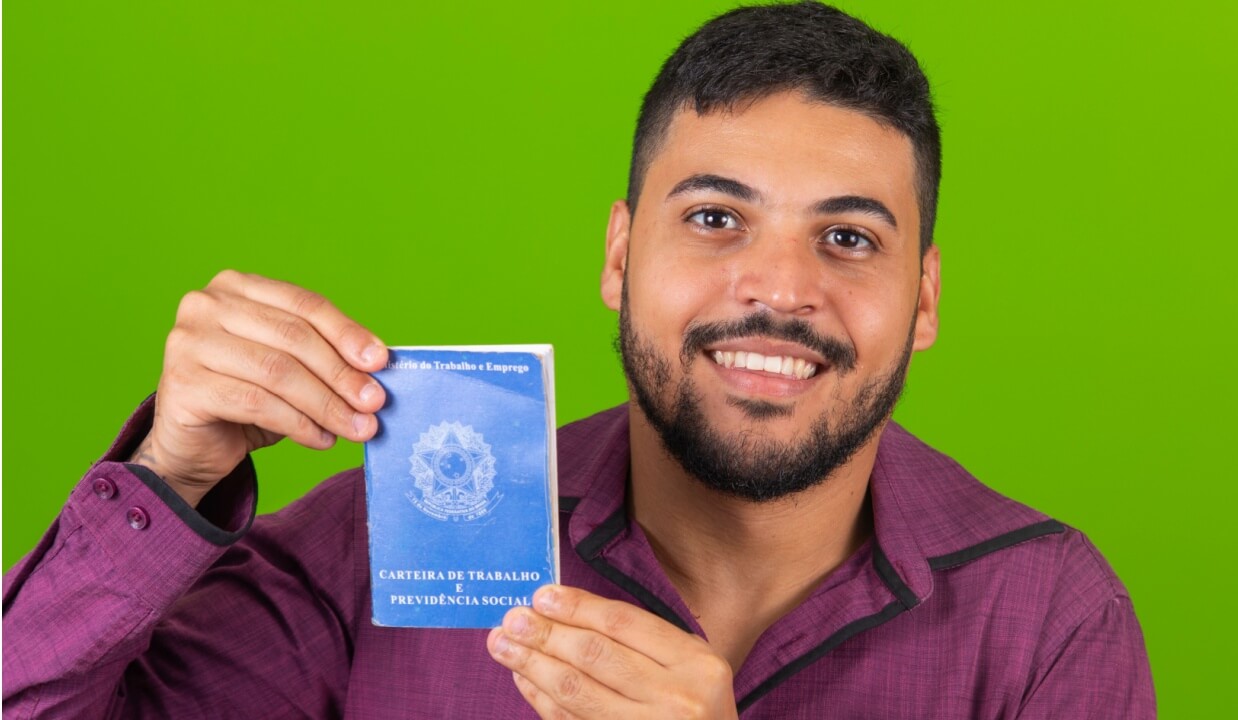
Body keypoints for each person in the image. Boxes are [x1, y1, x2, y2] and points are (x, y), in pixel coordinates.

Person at [2, 2, 1155, 717]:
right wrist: (170, 471)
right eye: (713, 219)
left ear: (924, 300)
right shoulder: (384, 549)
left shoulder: (1044, 618)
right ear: (617, 256)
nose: (778, 289)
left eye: (847, 239)